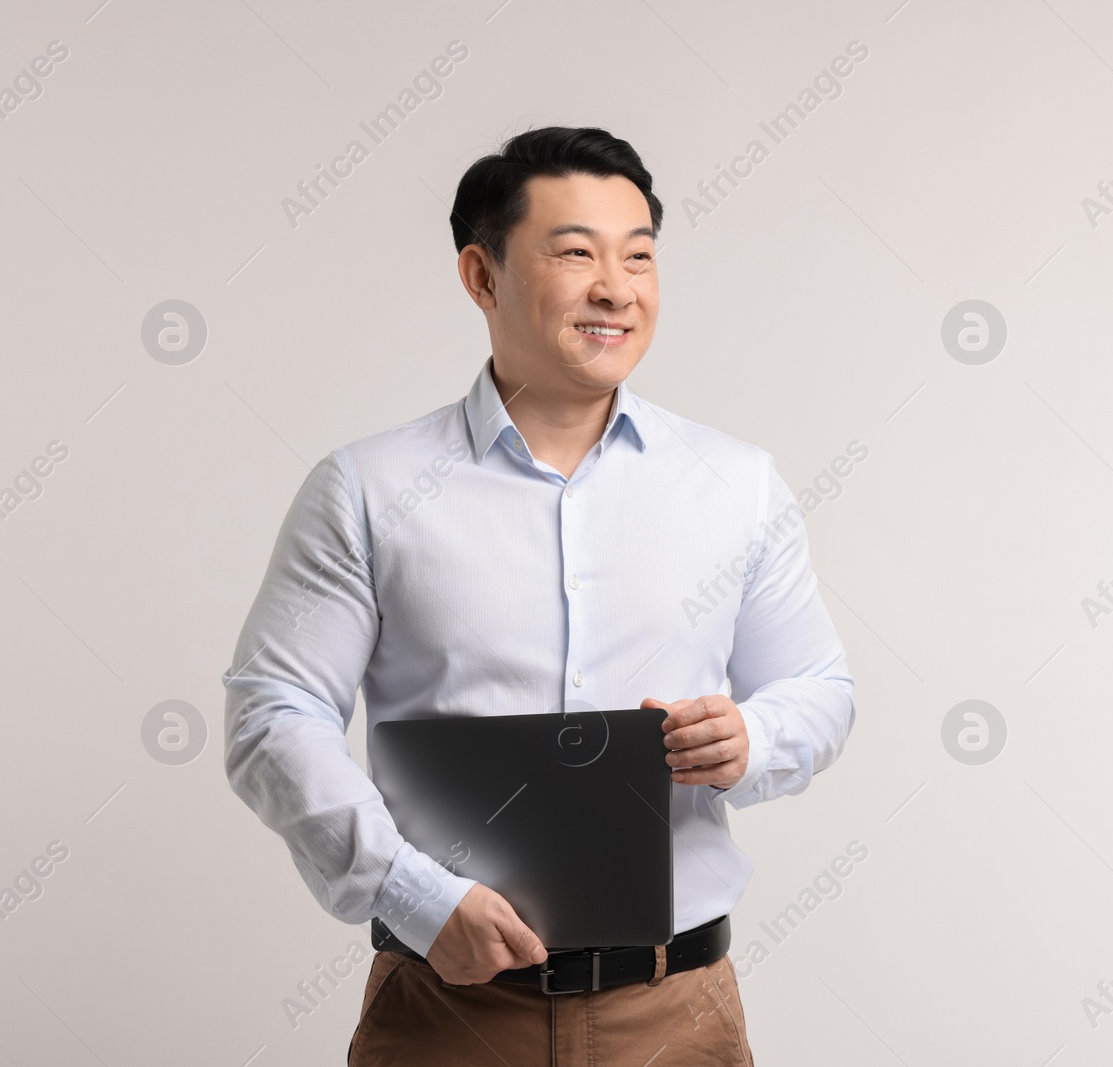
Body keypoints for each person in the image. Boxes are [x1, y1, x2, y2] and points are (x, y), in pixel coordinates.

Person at [221, 126, 856, 1065]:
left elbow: (819, 687)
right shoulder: (368, 487)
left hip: (674, 1011)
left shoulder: (737, 483)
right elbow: (273, 714)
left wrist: (750, 739)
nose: (617, 287)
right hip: (445, 1011)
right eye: (576, 254)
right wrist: (410, 892)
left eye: (638, 256)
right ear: (481, 275)